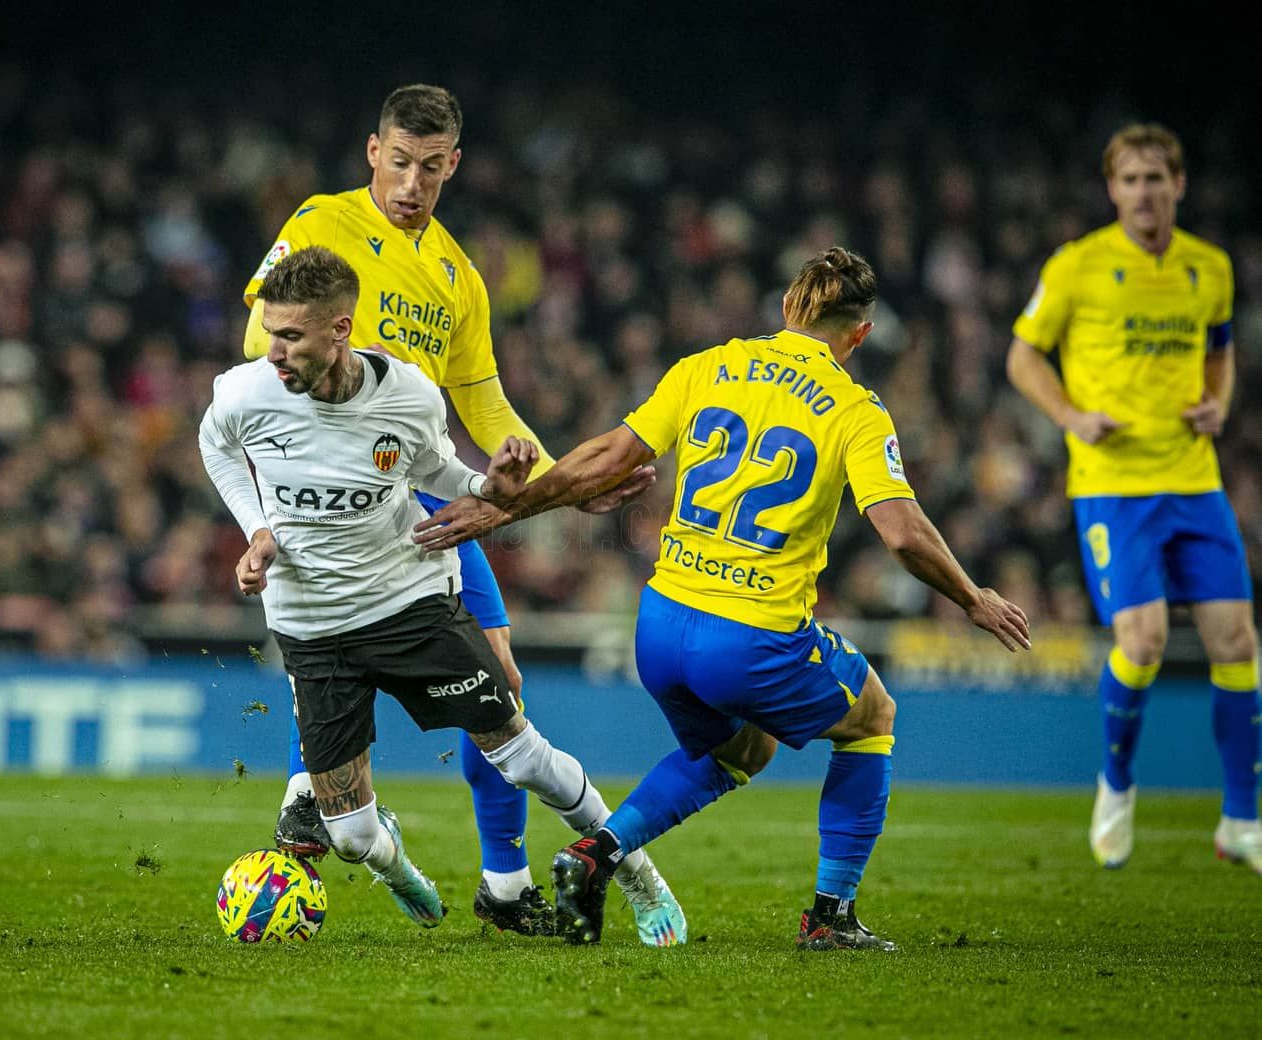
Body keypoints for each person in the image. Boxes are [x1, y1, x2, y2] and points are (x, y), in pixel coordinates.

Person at [416, 248, 1032, 949]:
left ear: (785, 309)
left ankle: (596, 853)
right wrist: (972, 596)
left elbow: (606, 457)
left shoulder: (705, 367)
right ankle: (830, 918)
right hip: (750, 635)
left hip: (662, 621)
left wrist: (500, 511)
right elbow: (900, 532)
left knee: (743, 747)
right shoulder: (857, 409)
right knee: (872, 716)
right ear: (858, 335)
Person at [237, 84, 665, 937]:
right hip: (340, 490)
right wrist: (369, 374)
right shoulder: (322, 222)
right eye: (399, 163)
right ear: (373, 153)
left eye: (430, 169)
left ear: (453, 166)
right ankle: (311, 801)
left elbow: (488, 405)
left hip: (423, 499)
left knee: (500, 678)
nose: (411, 183)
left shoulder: (457, 276)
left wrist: (563, 480)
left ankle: (500, 886)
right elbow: (261, 338)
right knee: (339, 646)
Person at [1006, 123, 1261, 874]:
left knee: (1240, 645)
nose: (1144, 192)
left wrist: (1221, 401)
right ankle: (1115, 783)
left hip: (1194, 480)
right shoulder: (1079, 266)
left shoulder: (1208, 268)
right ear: (1112, 190)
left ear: (1179, 185)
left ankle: (1242, 819)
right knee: (1143, 644)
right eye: (1130, 180)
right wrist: (1071, 418)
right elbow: (1023, 355)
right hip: (1114, 486)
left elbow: (1219, 353)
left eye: (1157, 178)